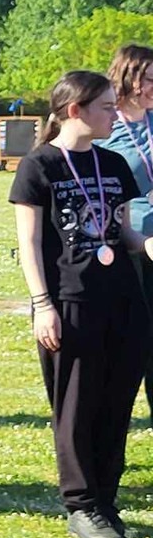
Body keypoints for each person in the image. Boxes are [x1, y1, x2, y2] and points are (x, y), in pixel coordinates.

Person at [11, 70, 152, 538]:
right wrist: (42, 305)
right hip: (70, 301)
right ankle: (82, 504)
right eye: (106, 107)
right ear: (75, 110)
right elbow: (29, 244)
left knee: (116, 405)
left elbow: (122, 232)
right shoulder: (39, 166)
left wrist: (146, 244)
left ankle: (106, 502)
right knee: (76, 407)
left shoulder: (113, 164)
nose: (115, 114)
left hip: (123, 300)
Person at [99, 44, 153, 428]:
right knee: (135, 338)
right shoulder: (105, 126)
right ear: (129, 77)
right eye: (150, 79)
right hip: (131, 246)